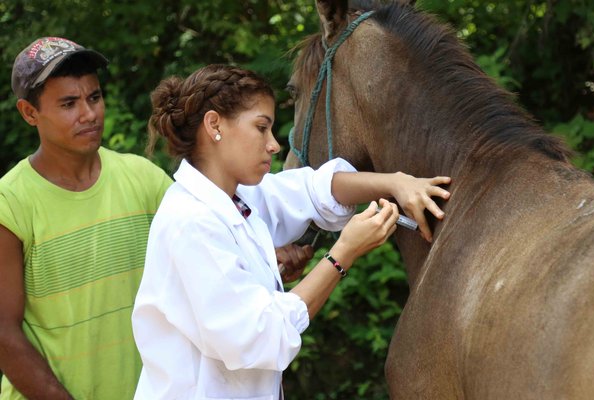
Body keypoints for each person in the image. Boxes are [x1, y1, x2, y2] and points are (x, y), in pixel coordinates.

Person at [0, 38, 315, 400]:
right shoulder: (10, 202)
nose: (88, 114)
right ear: (29, 112)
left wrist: (262, 260)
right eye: (69, 104)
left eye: (94, 97)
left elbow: (208, 242)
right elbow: (4, 335)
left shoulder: (142, 177)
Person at [132, 64, 451, 399]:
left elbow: (312, 191)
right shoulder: (191, 221)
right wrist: (342, 255)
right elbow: (263, 336)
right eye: (261, 128)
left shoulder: (235, 197)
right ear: (214, 125)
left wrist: (395, 183)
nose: (273, 145)